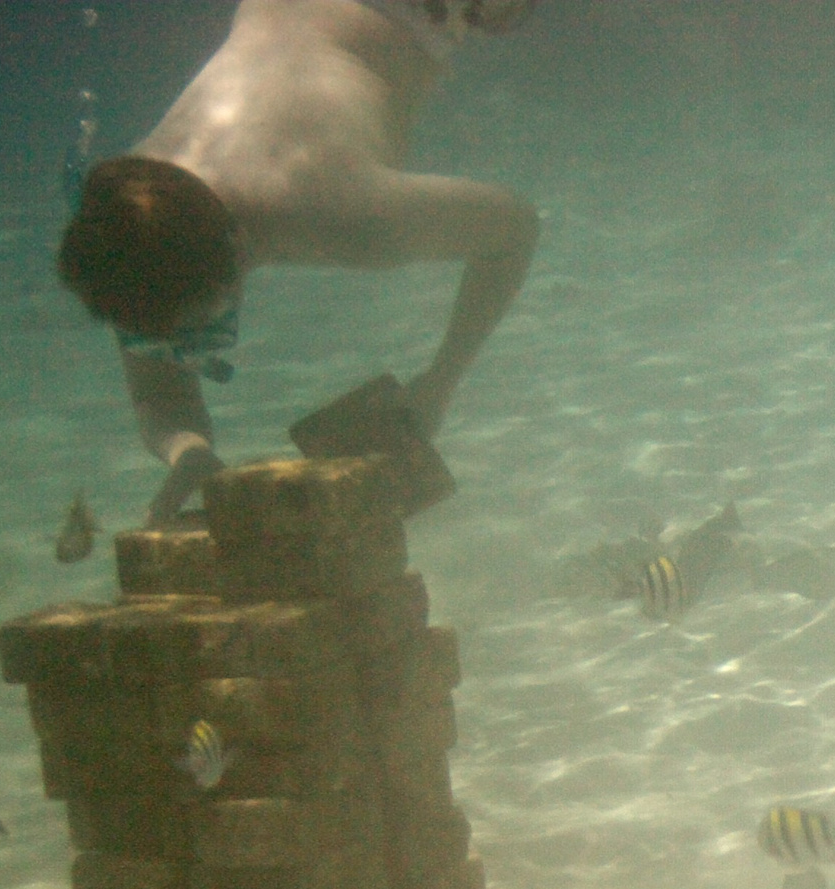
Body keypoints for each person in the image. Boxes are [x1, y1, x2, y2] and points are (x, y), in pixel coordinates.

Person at [55, 0, 541, 522]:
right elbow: (157, 391)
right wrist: (189, 453)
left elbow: (514, 228)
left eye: (205, 321)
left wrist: (441, 381)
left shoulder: (334, 215)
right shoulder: (135, 217)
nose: (185, 343)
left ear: (239, 250)